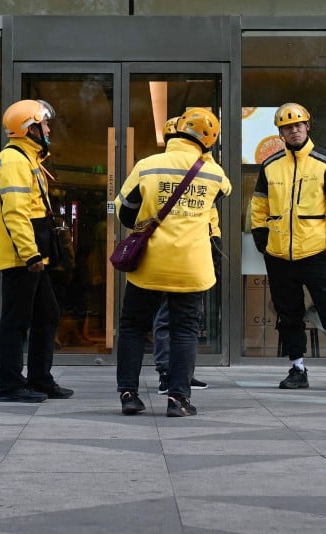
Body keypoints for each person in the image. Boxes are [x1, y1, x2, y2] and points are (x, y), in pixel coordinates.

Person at [114, 107, 230, 418]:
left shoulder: (148, 165)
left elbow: (124, 211)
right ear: (209, 141)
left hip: (149, 263)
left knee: (133, 327)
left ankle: (129, 393)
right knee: (184, 331)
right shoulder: (214, 172)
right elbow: (222, 194)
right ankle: (178, 398)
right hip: (191, 265)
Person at [250, 103, 326, 393]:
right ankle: (297, 368)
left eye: (298, 125)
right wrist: (261, 239)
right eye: (287, 127)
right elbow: (259, 205)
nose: (293, 130)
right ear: (279, 132)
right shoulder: (270, 165)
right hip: (279, 254)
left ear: (308, 126)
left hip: (318, 253)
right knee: (288, 315)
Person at [0, 99, 73, 403]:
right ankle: (10, 385)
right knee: (16, 321)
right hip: (22, 257)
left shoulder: (28, 158)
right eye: (44, 124)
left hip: (33, 254)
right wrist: (30, 255)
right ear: (30, 128)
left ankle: (39, 379)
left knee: (47, 314)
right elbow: (15, 213)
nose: (48, 128)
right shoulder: (13, 161)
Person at [149, 116, 214, 395]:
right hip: (170, 252)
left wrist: (215, 236)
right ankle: (167, 372)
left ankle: (183, 372)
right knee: (168, 316)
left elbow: (210, 208)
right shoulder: (158, 169)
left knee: (189, 319)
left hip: (196, 249)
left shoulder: (205, 169)